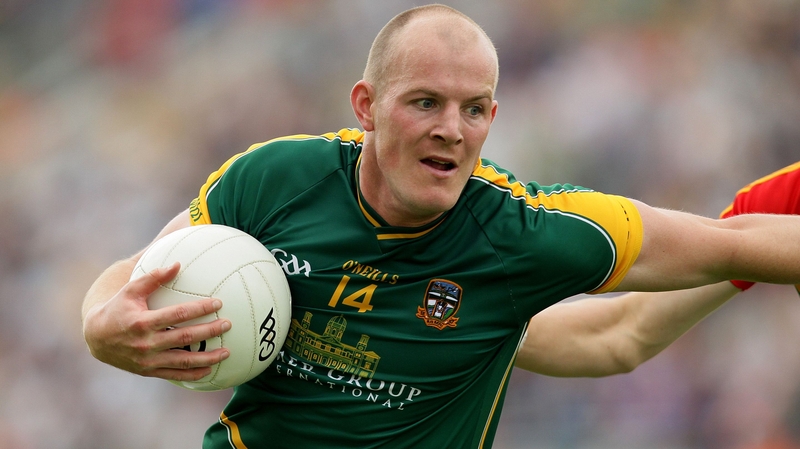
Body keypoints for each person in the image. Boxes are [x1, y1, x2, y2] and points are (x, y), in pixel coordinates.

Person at [81, 4, 800, 448]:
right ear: (365, 104)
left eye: (475, 108)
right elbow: (137, 274)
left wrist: (758, 231)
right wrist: (99, 324)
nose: (452, 130)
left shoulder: (519, 233)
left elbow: (641, 319)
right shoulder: (274, 180)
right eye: (424, 102)